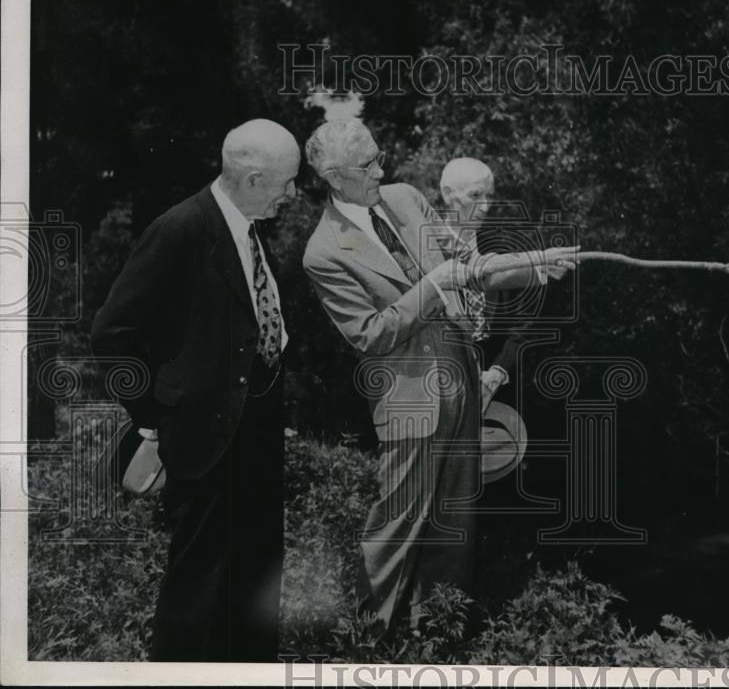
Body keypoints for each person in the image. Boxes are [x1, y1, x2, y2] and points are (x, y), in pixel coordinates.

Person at [301, 118, 576, 630]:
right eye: (369, 165)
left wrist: (538, 264)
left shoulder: (404, 198)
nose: (382, 169)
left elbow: (470, 266)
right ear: (334, 178)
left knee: (455, 522)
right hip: (408, 398)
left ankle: (439, 634)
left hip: (463, 384)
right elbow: (371, 334)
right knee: (397, 525)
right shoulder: (323, 252)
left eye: (380, 155)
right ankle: (369, 641)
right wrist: (433, 284)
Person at [91, 119, 300, 662]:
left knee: (255, 575)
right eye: (286, 182)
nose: (292, 194)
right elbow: (112, 334)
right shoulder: (180, 229)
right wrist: (150, 420)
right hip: (201, 438)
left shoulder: (249, 229)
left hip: (252, 430)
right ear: (254, 179)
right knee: (200, 585)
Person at [439, 156, 572, 413]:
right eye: (476, 195)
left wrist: (500, 369)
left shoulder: (503, 247)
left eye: (489, 196)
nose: (485, 206)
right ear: (447, 195)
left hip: (497, 383)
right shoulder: (424, 247)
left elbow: (525, 318)